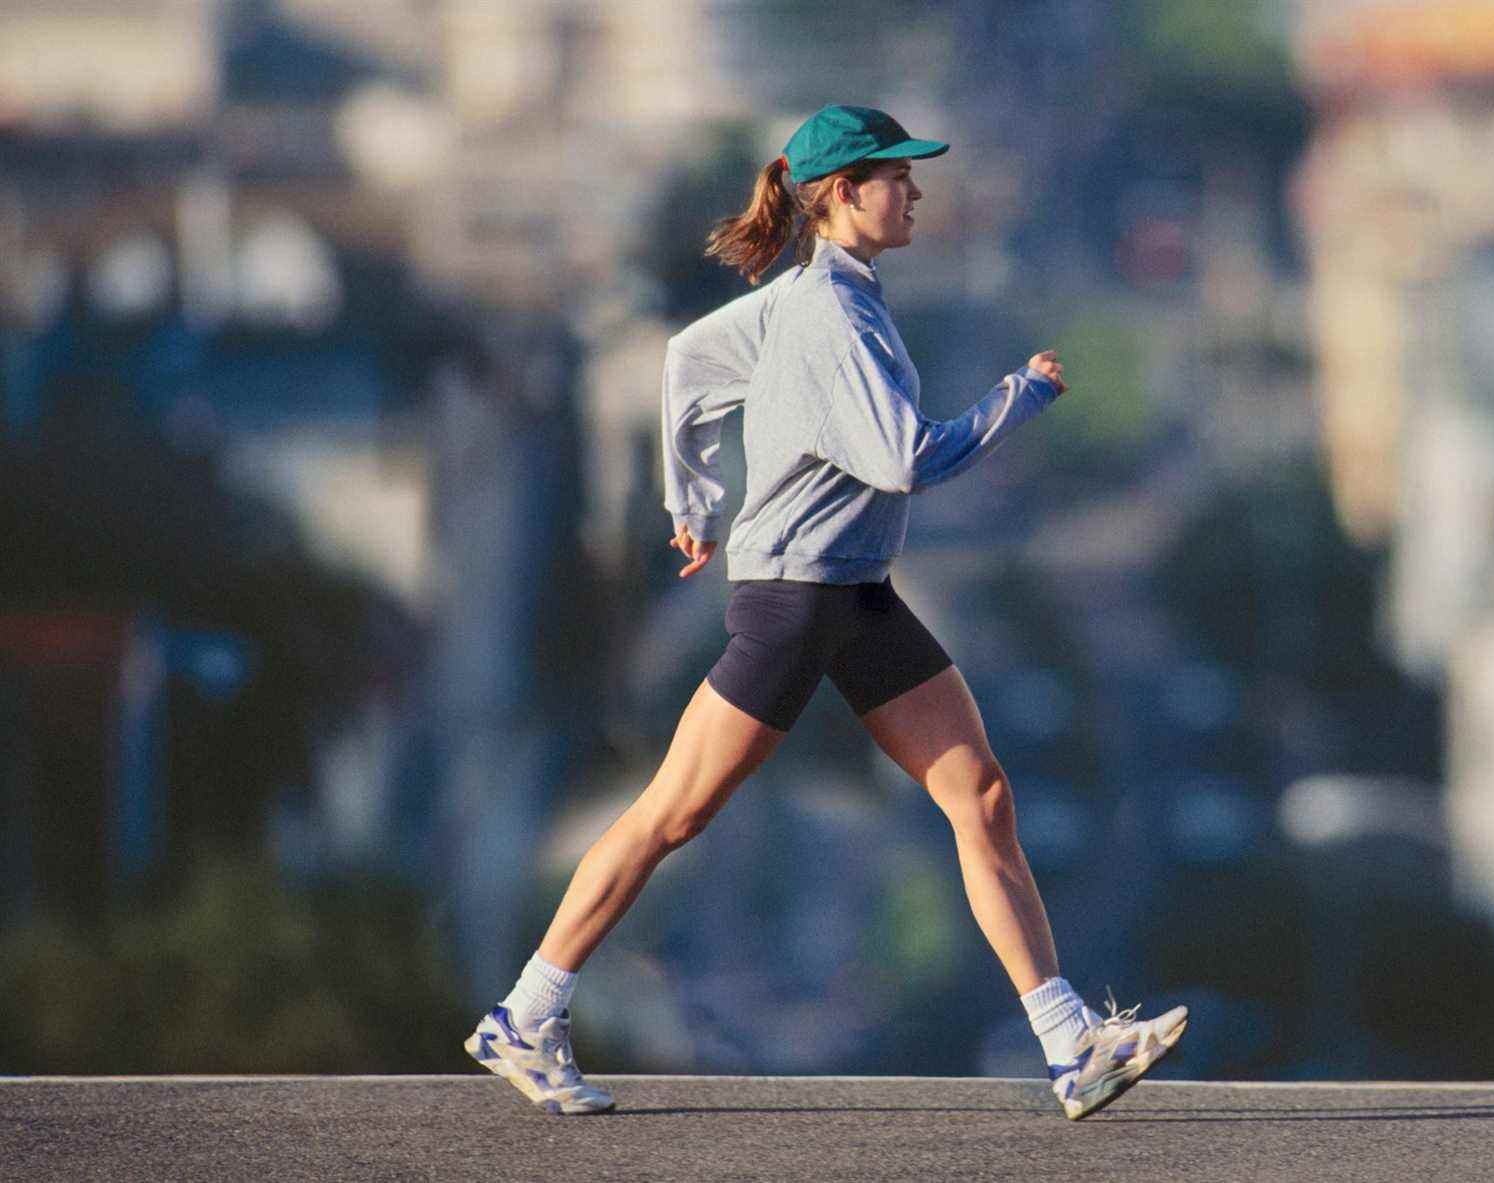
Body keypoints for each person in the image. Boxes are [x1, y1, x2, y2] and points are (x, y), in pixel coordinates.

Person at [464, 104, 1187, 1121]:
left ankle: (1071, 1045)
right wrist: (1016, 398)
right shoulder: (828, 317)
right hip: (797, 605)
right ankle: (525, 1015)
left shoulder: (814, 297)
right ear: (842, 193)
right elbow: (903, 459)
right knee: (672, 813)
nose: (917, 192)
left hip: (856, 596)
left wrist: (694, 504)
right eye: (898, 176)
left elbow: (685, 362)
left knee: (979, 797)